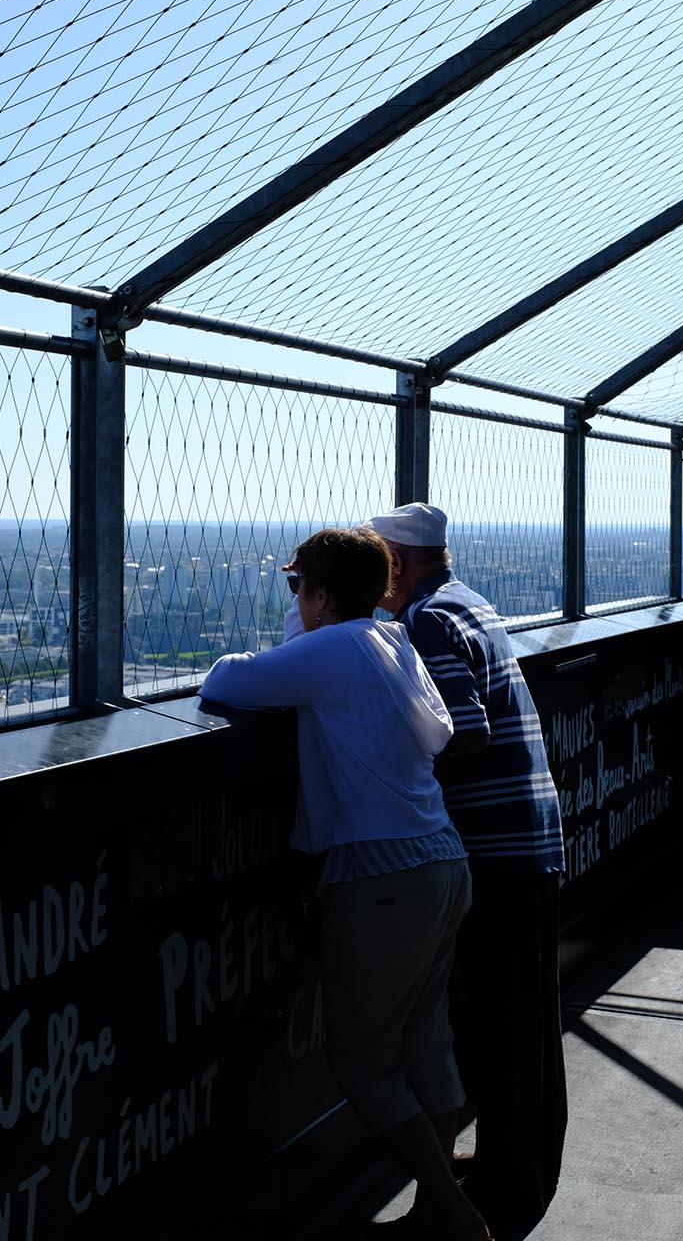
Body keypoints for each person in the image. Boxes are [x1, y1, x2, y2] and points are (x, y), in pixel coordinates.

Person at [201, 527, 491, 1241]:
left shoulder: (332, 649)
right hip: (443, 859)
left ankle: (453, 1216)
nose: (294, 599)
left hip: (382, 874)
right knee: (426, 1041)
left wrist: (297, 634)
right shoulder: (394, 639)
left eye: (299, 588)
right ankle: (437, 1208)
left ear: (321, 594)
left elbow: (224, 680)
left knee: (362, 1062)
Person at [368, 502, 568, 1233]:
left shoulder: (427, 621)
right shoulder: (468, 602)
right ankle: (522, 1173)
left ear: (398, 562)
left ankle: (503, 1192)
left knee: (493, 1027)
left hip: (495, 849)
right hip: (528, 840)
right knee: (525, 1023)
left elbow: (466, 731)